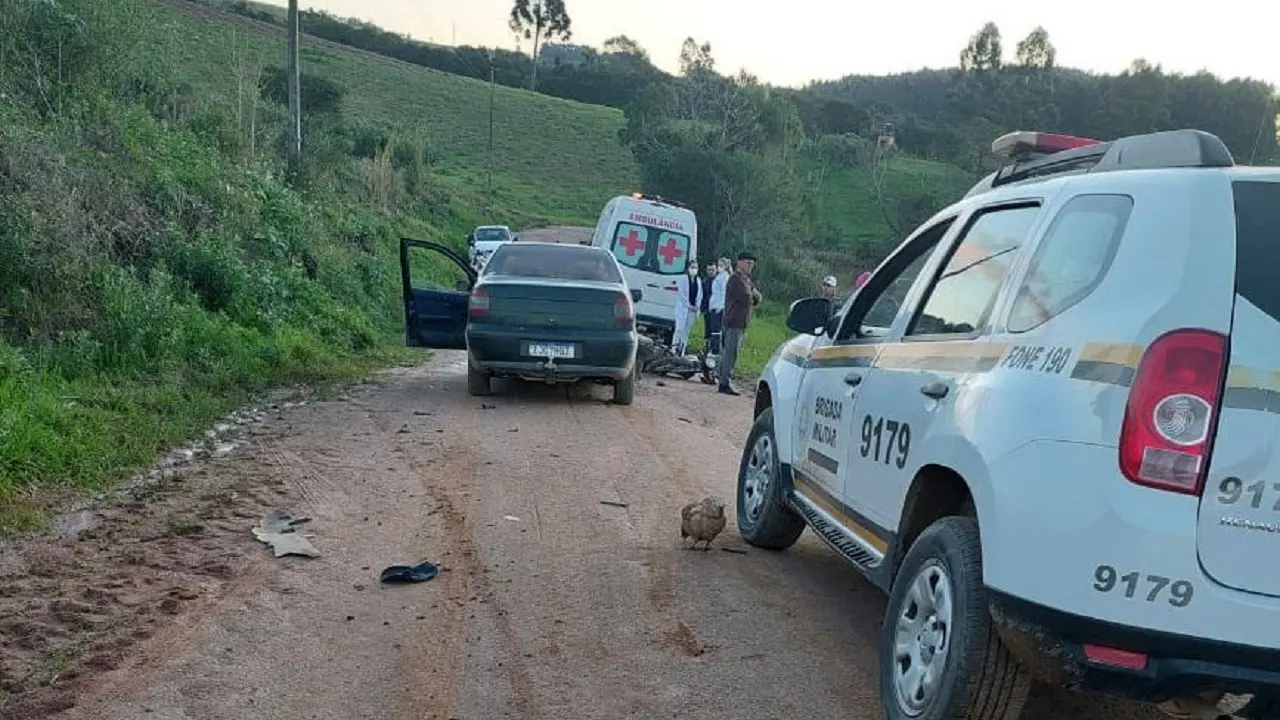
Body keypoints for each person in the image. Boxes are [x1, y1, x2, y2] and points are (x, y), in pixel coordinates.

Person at [719, 252, 761, 396]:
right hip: (733, 322)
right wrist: (752, 292)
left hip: (741, 322)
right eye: (749, 264)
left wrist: (752, 292)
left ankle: (723, 379)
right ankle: (724, 382)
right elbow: (747, 297)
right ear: (741, 263)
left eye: (752, 265)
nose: (751, 267)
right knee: (730, 353)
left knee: (731, 352)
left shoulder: (746, 280)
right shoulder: (735, 279)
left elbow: (758, 298)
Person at [672, 263, 702, 355]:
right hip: (683, 308)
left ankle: (682, 350)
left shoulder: (698, 280)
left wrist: (697, 306)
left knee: (686, 331)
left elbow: (700, 295)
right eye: (692, 267)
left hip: (692, 310)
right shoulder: (683, 279)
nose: (694, 269)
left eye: (695, 267)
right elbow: (682, 294)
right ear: (688, 268)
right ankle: (673, 348)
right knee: (679, 329)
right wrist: (689, 305)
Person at [707, 257, 730, 354]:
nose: (719, 267)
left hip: (718, 308)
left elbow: (724, 294)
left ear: (726, 266)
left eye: (721, 265)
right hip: (714, 306)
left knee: (716, 330)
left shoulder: (725, 277)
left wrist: (720, 307)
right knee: (713, 329)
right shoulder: (719, 276)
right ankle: (713, 348)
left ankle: (715, 350)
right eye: (719, 265)